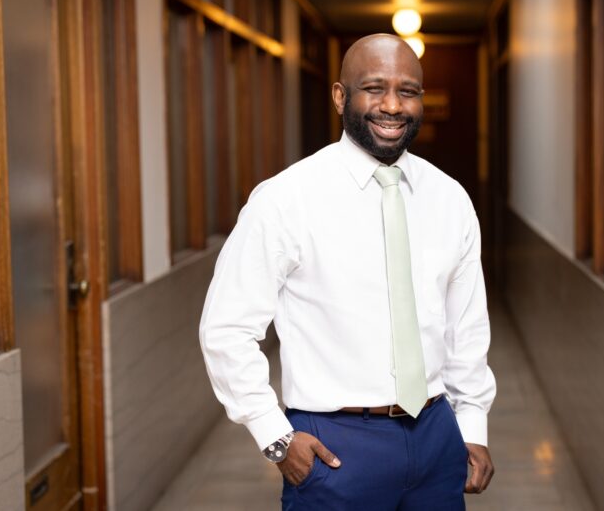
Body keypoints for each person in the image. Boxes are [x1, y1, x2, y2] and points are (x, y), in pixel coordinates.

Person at [199, 33, 496, 510]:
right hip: (336, 444)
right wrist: (274, 435)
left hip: (437, 434)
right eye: (375, 88)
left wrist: (472, 424)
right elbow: (226, 328)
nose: (393, 105)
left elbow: (465, 327)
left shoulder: (449, 199)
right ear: (341, 96)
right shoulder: (285, 199)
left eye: (408, 91)